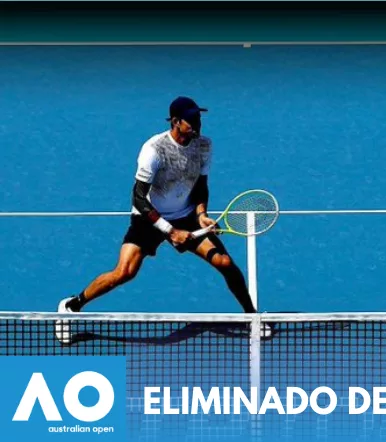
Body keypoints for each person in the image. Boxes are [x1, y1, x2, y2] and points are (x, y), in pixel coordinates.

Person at [56, 96, 271, 343]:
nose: (197, 124)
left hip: (187, 215)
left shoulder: (204, 146)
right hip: (149, 217)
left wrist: (201, 214)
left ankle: (251, 317)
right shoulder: (154, 150)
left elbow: (201, 186)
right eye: (191, 120)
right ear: (176, 122)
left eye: (198, 118)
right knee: (124, 272)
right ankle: (72, 305)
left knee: (224, 262)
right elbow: (138, 198)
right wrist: (170, 231)